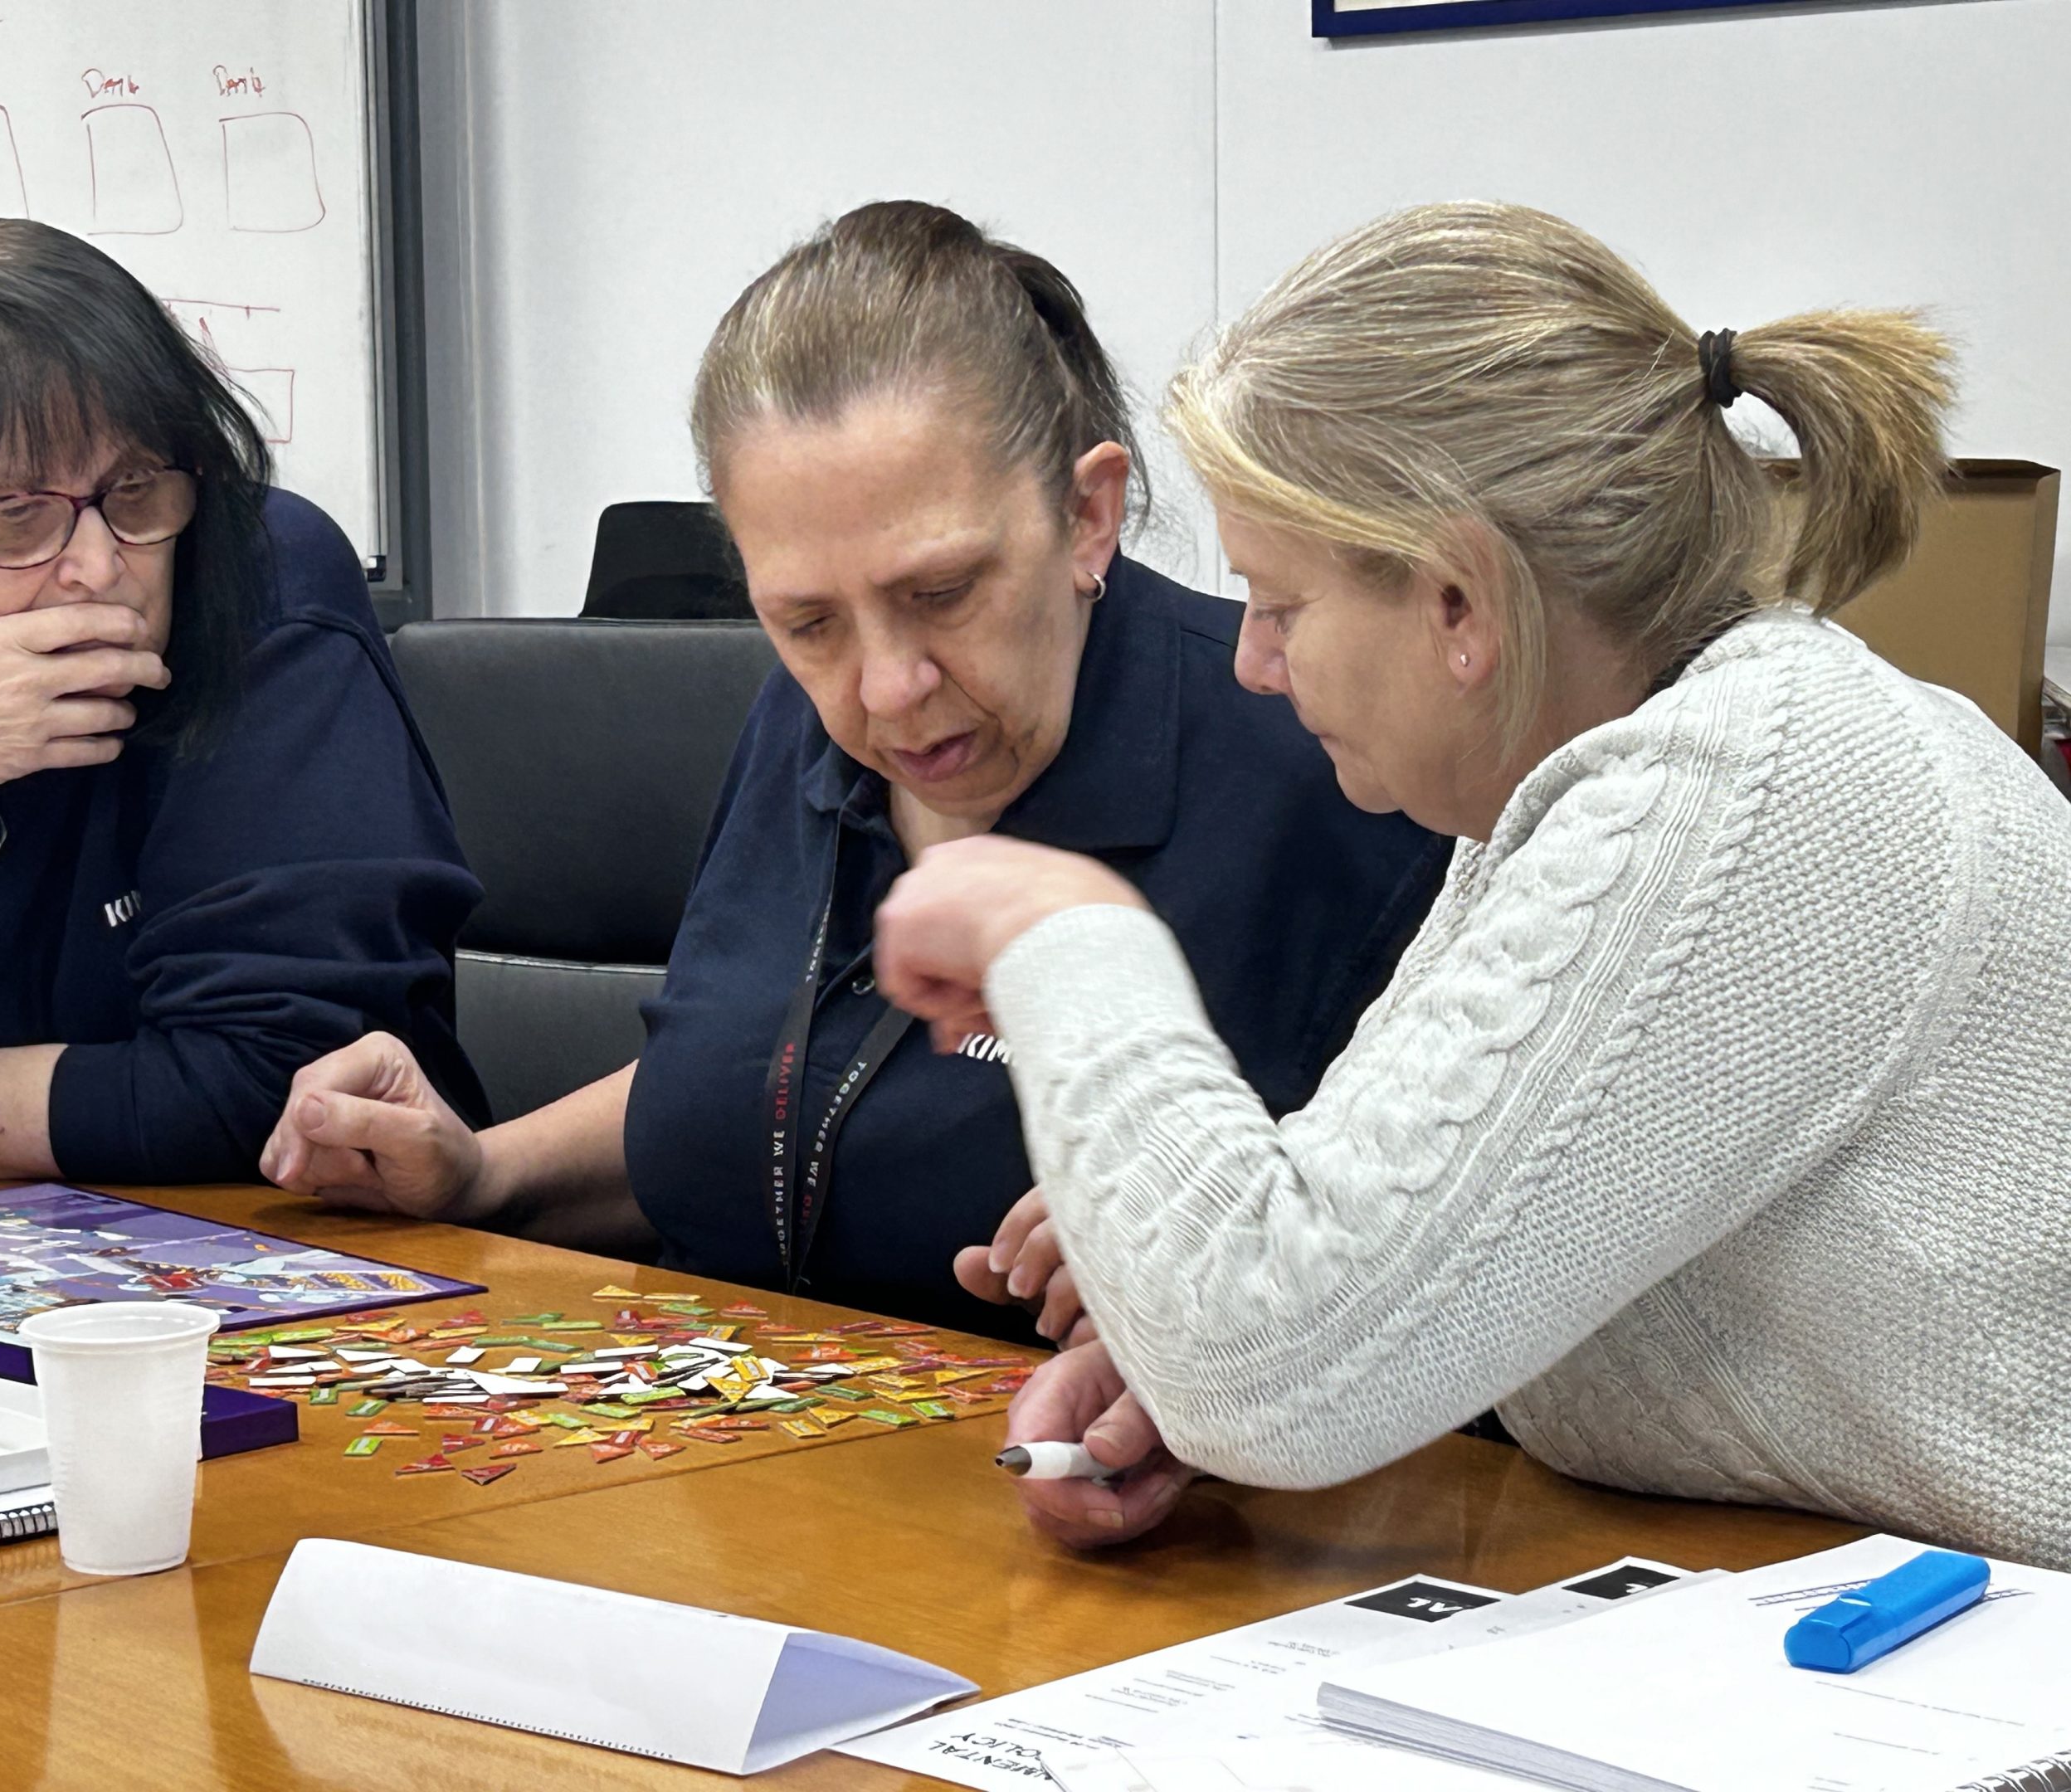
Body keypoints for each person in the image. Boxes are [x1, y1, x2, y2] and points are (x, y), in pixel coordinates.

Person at [870, 201, 2071, 1565]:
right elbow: (1362, 1277)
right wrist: (1186, 1353)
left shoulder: (1745, 793)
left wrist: (1060, 923)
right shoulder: (1581, 785)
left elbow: (1266, 1358)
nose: (1254, 663)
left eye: (1281, 602)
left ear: (1459, 604)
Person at [261, 200, 1448, 1339]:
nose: (885, 690)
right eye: (807, 620)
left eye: (941, 595)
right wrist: (483, 1172)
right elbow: (766, 1084)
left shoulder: (1326, 765)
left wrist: (1243, 1266)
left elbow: (1433, 1259)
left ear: (1089, 517)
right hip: (733, 1478)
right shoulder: (806, 713)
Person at [0, 219, 486, 1208]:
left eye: (136, 490)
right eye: (19, 516)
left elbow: (278, 1087)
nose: (101, 565)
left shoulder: (259, 586)